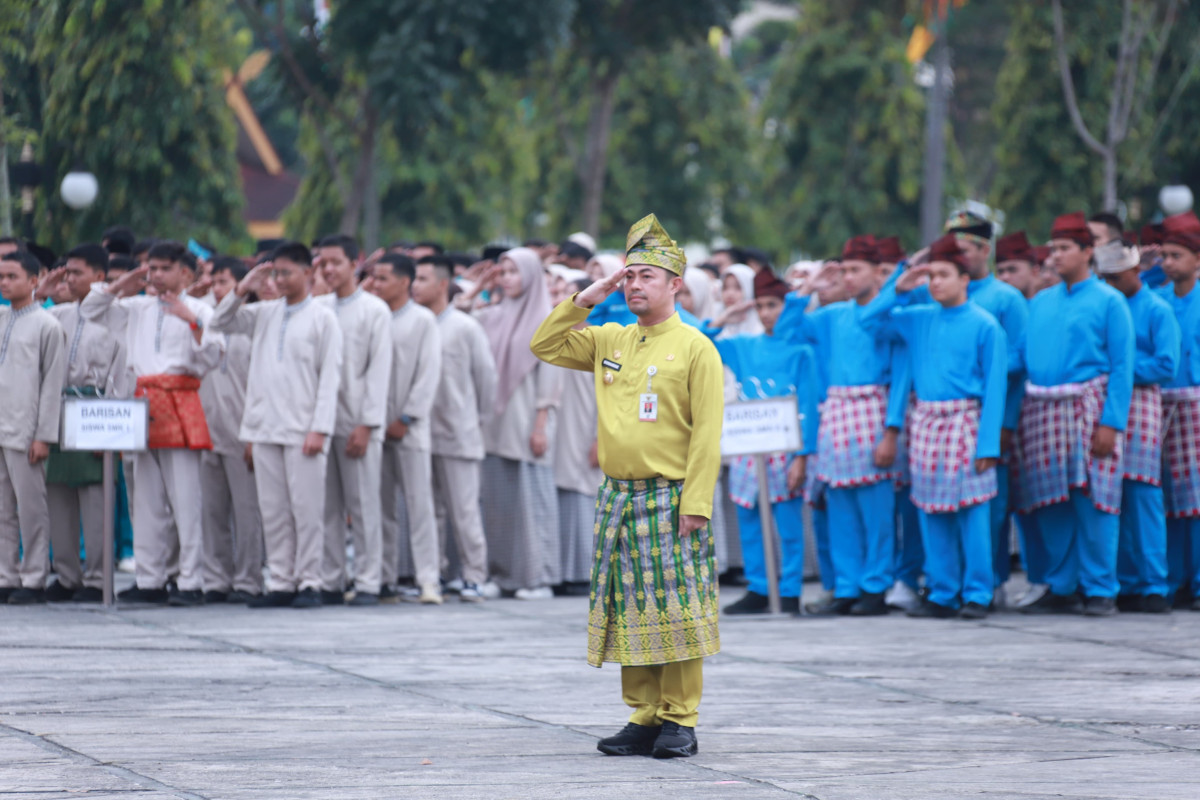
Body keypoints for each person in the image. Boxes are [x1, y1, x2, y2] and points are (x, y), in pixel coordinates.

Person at [531, 212, 723, 760]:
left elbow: (708, 435)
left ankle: (679, 719)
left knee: (679, 610)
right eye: (629, 276)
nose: (635, 285)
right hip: (618, 495)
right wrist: (590, 294)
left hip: (671, 496)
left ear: (675, 284)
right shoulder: (610, 337)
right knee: (632, 609)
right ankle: (642, 716)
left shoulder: (694, 347)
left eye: (647, 277)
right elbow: (544, 344)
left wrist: (698, 503)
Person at [869, 235, 1007, 618]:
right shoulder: (917, 319)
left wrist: (988, 444)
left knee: (973, 513)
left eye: (944, 275)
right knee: (932, 512)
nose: (936, 283)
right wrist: (898, 284)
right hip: (927, 423)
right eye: (932, 276)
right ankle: (943, 593)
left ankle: (978, 593)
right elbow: (869, 319)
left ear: (966, 278)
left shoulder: (985, 324)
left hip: (966, 421)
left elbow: (995, 387)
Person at [81, 241, 223, 606]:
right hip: (143, 402)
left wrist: (190, 320)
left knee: (186, 498)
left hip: (180, 399)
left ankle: (191, 581)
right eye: (152, 268)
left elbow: (212, 355)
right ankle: (150, 579)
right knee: (145, 497)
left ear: (185, 273)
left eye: (164, 268)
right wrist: (119, 284)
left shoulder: (200, 309)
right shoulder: (138, 306)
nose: (156, 275)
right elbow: (91, 308)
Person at [777, 235, 906, 616]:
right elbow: (787, 331)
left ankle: (875, 586)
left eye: (856, 269)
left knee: (877, 510)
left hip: (873, 411)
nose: (848, 277)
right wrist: (807, 291)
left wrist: (892, 430)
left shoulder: (891, 318)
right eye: (844, 270)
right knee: (841, 508)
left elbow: (901, 376)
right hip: (837, 414)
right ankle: (847, 587)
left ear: (875, 273)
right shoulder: (833, 316)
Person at [210, 242, 342, 608]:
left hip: (304, 430)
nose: (280, 280)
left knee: (307, 509)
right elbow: (220, 321)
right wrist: (243, 287)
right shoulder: (265, 313)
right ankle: (282, 581)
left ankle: (310, 581)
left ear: (308, 273)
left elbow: (330, 377)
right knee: (274, 510)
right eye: (276, 273)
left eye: (287, 272)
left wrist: (320, 428)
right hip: (263, 426)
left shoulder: (322, 318)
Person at [1015, 212, 1134, 617]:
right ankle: (1061, 584)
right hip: (1042, 409)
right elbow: (1020, 356)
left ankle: (1101, 588)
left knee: (1095, 499)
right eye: (1053, 247)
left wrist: (1111, 422)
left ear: (1088, 252)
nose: (1056, 255)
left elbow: (1122, 366)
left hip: (1089, 408)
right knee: (1050, 501)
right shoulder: (1039, 302)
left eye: (1065, 247)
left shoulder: (1109, 301)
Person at [707, 268, 819, 616]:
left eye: (775, 305)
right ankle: (758, 587)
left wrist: (802, 456)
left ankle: (789, 591)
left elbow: (809, 405)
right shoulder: (743, 346)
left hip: (785, 448)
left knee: (787, 523)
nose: (768, 313)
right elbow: (700, 341)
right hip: (749, 446)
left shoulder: (802, 351)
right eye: (763, 306)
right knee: (750, 519)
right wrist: (725, 316)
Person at [1093, 240, 1179, 614]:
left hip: (1141, 404)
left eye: (1117, 277)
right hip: (1105, 403)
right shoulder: (1104, 307)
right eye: (1105, 278)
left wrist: (1121, 369)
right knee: (1111, 495)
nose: (1111, 284)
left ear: (1135, 272)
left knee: (1143, 494)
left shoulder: (1156, 310)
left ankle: (1154, 583)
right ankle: (1124, 581)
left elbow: (1166, 364)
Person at [477, 247, 562, 599]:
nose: (507, 278)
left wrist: (541, 423)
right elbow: (458, 313)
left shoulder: (547, 317)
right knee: (498, 501)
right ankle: (503, 576)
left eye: (514, 271)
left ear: (530, 275)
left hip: (528, 419)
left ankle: (537, 577)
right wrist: (476, 287)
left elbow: (551, 377)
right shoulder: (494, 315)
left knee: (531, 499)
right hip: (496, 422)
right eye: (504, 272)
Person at [39, 245, 122, 603]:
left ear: (99, 277)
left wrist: (115, 421)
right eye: (66, 272)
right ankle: (67, 573)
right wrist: (40, 294)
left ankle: (98, 576)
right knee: (58, 493)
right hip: (58, 406)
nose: (68, 278)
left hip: (95, 406)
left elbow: (122, 368)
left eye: (76, 272)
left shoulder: (118, 315)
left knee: (95, 495)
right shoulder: (56, 314)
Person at [313, 234, 392, 606]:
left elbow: (379, 372)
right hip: (322, 422)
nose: (327, 269)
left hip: (359, 422)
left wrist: (367, 423)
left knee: (362, 506)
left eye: (334, 262)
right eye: (322, 263)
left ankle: (367, 581)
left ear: (354, 262)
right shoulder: (318, 306)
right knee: (326, 507)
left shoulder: (374, 310)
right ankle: (330, 580)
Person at [412, 254, 496, 602]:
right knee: (428, 510)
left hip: (459, 432)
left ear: (442, 285)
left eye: (421, 279)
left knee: (463, 511)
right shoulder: (415, 324)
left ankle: (474, 576)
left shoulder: (465, 327)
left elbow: (486, 381)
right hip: (418, 433)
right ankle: (438, 574)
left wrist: (473, 420)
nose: (414, 285)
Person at [367, 254, 444, 605]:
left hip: (410, 430)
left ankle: (429, 580)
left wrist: (407, 418)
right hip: (374, 428)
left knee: (419, 506)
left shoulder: (422, 320)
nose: (376, 284)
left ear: (403, 282)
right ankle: (384, 578)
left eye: (383, 278)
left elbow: (428, 375)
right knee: (379, 507)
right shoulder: (374, 317)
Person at [0, 250, 66, 604]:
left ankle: (34, 578)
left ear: (34, 281)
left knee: (31, 510)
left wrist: (44, 435)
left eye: (12, 276)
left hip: (27, 433)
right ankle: (6, 575)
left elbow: (53, 385)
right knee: (2, 511)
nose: (5, 283)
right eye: (1, 277)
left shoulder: (48, 326)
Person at [197, 256, 264, 604]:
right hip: (208, 429)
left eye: (223, 282)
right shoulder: (207, 322)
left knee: (247, 511)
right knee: (211, 511)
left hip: (243, 432)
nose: (215, 289)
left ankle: (249, 579)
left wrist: (254, 433)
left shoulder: (253, 326)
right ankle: (216, 579)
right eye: (214, 282)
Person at [1156, 211, 1200, 608]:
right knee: (1170, 495)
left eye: (1176, 255)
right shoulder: (1159, 301)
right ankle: (1174, 579)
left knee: (1198, 498)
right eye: (1164, 256)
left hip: (1197, 406)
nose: (1168, 263)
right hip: (1165, 406)